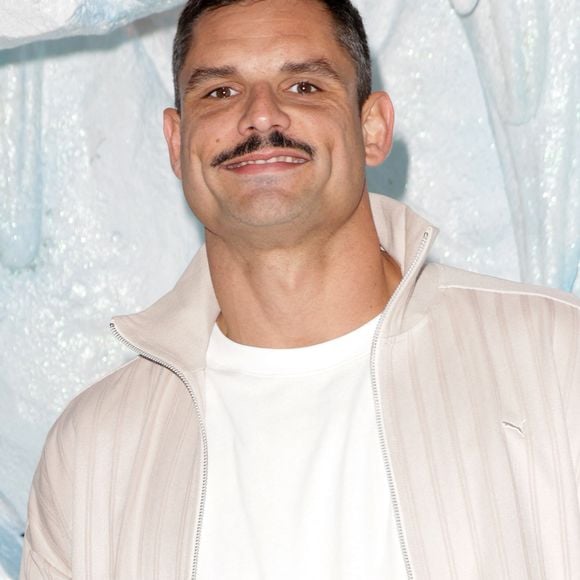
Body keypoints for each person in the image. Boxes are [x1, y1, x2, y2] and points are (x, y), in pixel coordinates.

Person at [20, 0, 580, 578]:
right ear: (175, 141)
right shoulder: (90, 452)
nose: (261, 117)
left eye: (304, 85)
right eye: (219, 92)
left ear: (373, 128)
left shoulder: (558, 361)